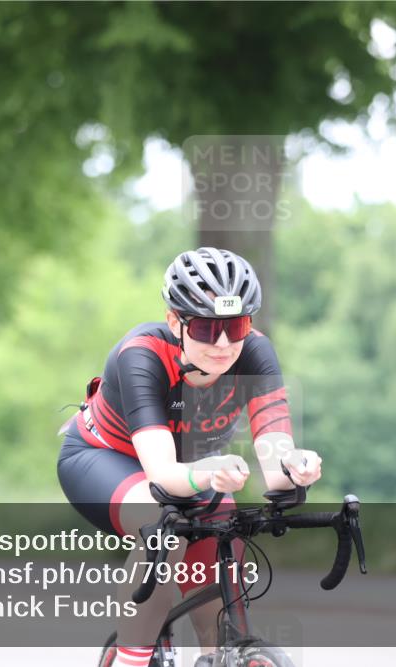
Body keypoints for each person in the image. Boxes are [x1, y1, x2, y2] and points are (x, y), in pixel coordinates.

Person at [57, 247, 322, 667]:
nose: (222, 344)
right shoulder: (141, 354)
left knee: (226, 540)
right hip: (104, 459)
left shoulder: (255, 352)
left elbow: (276, 463)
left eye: (235, 326)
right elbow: (162, 475)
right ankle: (132, 657)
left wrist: (296, 468)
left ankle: (221, 655)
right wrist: (208, 473)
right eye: (204, 328)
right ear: (175, 321)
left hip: (191, 469)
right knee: (164, 528)